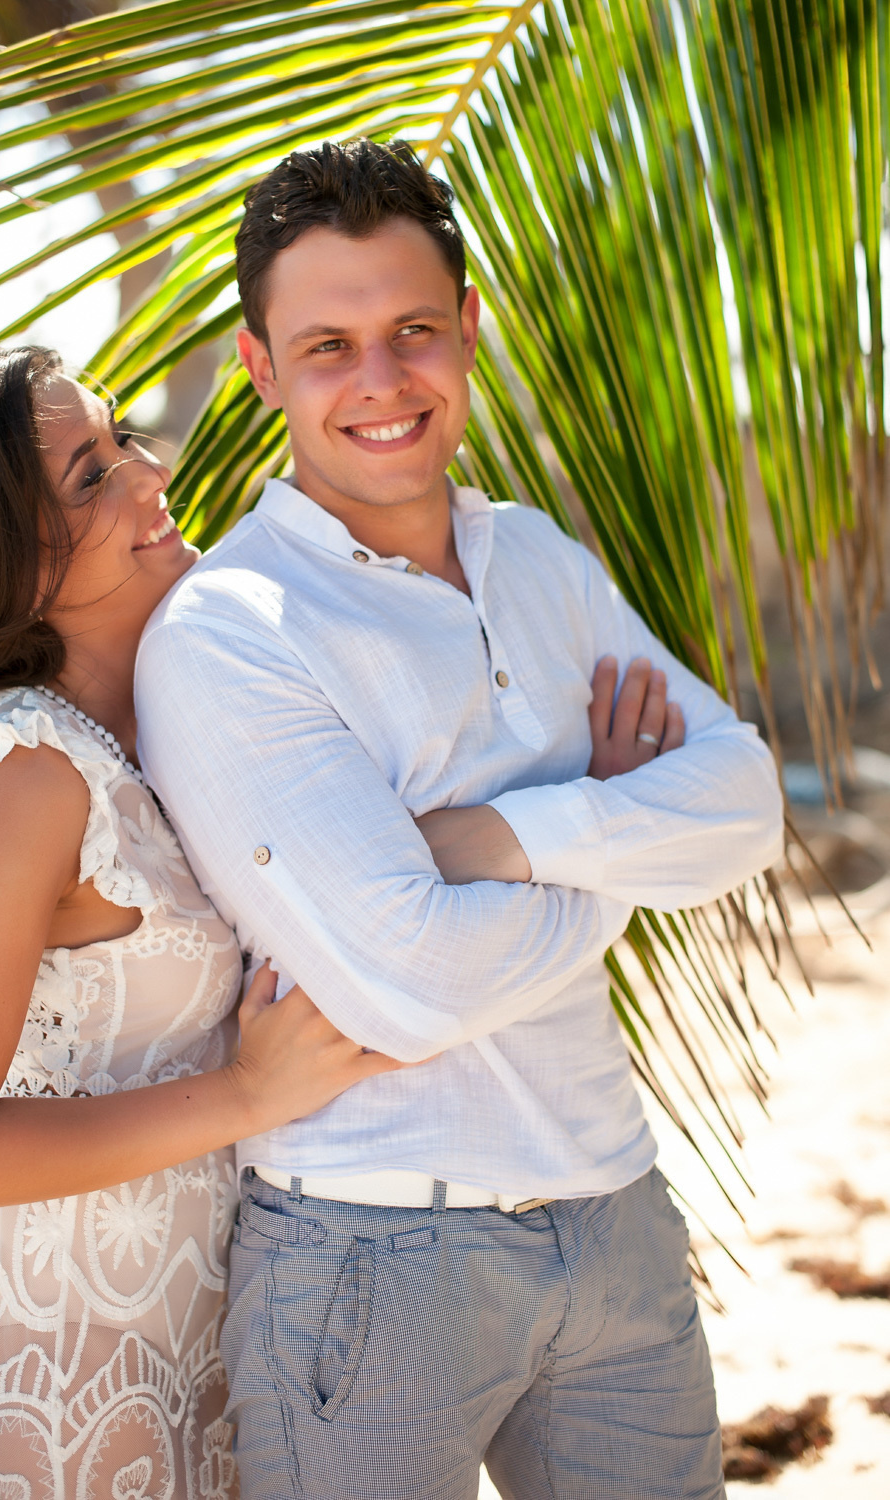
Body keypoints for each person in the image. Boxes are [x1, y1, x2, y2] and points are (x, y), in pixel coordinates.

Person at [135, 139, 786, 1499]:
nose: (380, 382)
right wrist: (610, 824)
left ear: (467, 330)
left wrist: (494, 838)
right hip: (369, 1256)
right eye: (328, 346)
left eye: (412, 331)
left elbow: (744, 805)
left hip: (613, 1223)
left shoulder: (537, 557)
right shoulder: (232, 632)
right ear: (259, 369)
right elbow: (412, 981)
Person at [0, 346, 413, 1500]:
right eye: (91, 475)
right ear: (11, 570)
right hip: (67, 1351)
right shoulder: (33, 770)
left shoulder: (186, 712)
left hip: (227, 1324)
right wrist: (244, 1097)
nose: (151, 471)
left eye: (120, 438)